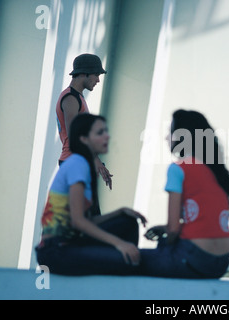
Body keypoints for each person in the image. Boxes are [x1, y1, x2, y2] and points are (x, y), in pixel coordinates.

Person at [36, 114, 147, 275]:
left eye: (106, 131)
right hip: (56, 250)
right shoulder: (78, 163)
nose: (107, 136)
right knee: (130, 259)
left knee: (127, 221)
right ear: (83, 139)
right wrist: (120, 244)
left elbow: (87, 221)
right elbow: (78, 222)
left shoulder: (84, 165)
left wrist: (119, 211)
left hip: (72, 242)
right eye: (100, 132)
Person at [138, 109, 229, 279]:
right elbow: (207, 221)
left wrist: (167, 239)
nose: (166, 137)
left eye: (171, 132)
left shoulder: (178, 168)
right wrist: (166, 229)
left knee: (131, 258)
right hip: (222, 263)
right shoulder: (217, 171)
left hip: (194, 259)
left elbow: (174, 230)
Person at [56, 53, 113, 189]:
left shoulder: (77, 97)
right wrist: (96, 161)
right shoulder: (70, 98)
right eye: (96, 74)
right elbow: (75, 136)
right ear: (84, 73)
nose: (98, 80)